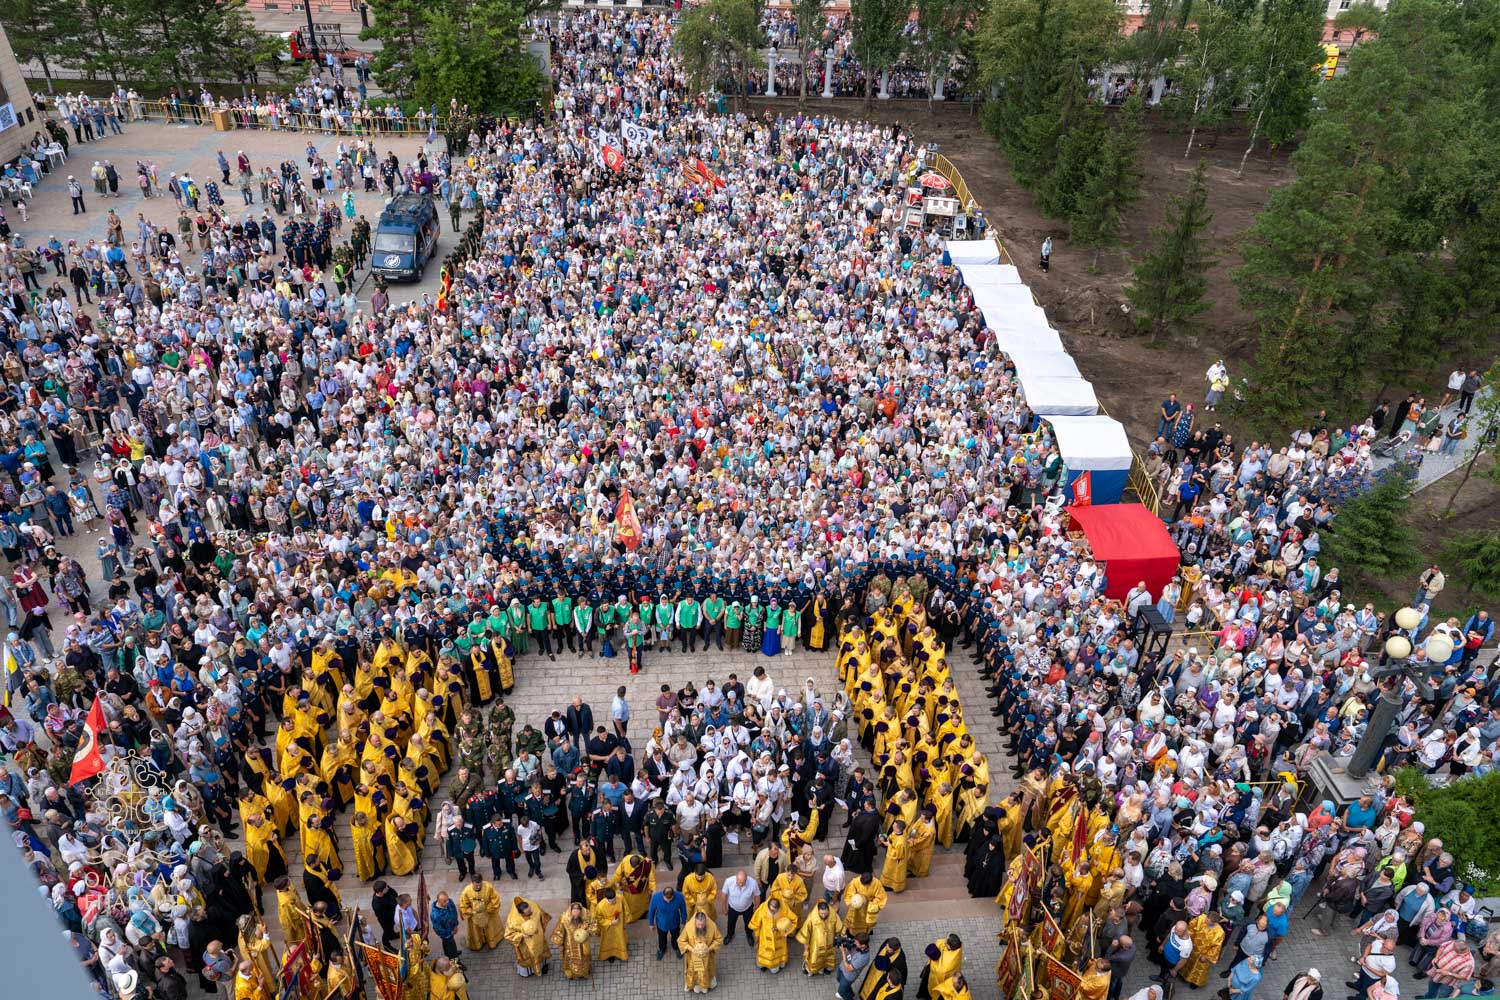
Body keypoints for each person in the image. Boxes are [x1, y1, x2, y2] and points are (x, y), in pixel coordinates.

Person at [502, 897, 551, 978]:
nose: (530, 913)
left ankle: (541, 967)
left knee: (540, 953)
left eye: (530, 910)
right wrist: (522, 935)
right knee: (529, 958)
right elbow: (508, 935)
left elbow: (542, 915)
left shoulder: (534, 908)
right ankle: (529, 972)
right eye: (527, 913)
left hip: (538, 938)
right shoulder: (513, 921)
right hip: (525, 945)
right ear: (521, 913)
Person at [747, 897, 797, 973]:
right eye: (771, 910)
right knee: (765, 952)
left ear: (778, 908)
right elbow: (756, 923)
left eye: (774, 911)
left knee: (777, 954)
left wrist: (786, 931)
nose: (772, 912)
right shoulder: (763, 908)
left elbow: (794, 920)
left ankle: (777, 964)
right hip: (765, 937)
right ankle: (763, 964)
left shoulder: (784, 909)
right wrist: (757, 935)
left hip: (779, 937)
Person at [550, 902, 598, 980]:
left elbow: (593, 924)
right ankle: (571, 974)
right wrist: (560, 944)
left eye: (577, 914)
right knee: (569, 958)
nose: (576, 916)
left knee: (584, 958)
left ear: (580, 912)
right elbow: (559, 930)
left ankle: (584, 972)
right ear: (571, 911)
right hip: (569, 944)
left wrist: (587, 932)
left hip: (583, 944)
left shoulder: (587, 914)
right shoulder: (564, 917)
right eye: (574, 914)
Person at [679, 911, 723, 994]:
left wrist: (709, 949)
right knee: (692, 972)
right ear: (695, 921)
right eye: (698, 925)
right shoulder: (688, 927)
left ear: (705, 922)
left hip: (707, 957)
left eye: (702, 925)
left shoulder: (712, 926)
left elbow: (719, 939)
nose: (700, 927)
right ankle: (692, 985)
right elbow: (681, 941)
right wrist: (692, 949)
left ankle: (704, 986)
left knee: (705, 971)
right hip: (692, 957)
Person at [798, 898, 845, 975]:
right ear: (818, 911)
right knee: (815, 958)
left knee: (828, 956)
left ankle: (824, 968)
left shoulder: (833, 915)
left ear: (828, 910)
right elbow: (805, 934)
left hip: (829, 943)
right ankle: (811, 969)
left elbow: (839, 927)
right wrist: (806, 948)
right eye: (821, 913)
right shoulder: (811, 918)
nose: (823, 915)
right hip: (815, 946)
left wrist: (842, 935)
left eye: (825, 913)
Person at [458, 874, 503, 952]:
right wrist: (472, 911)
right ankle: (478, 944)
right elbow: (463, 905)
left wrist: (488, 909)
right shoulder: (466, 891)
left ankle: (492, 942)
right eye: (476, 885)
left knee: (490, 929)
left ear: (482, 881)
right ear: (472, 883)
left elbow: (495, 899)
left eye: (480, 885)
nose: (478, 887)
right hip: (474, 915)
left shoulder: (488, 887)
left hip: (488, 913)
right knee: (476, 932)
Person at [646, 884, 688, 961]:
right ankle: (662, 949)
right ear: (663, 894)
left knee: (676, 937)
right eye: (666, 899)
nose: (668, 901)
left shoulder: (679, 897)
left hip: (674, 923)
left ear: (673, 895)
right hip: (661, 924)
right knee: (662, 938)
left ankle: (676, 948)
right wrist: (651, 923)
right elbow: (651, 911)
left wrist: (683, 921)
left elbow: (683, 910)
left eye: (670, 899)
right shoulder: (655, 898)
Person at [917, 934, 962, 1000]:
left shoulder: (948, 964)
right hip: (947, 975)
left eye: (946, 941)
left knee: (933, 992)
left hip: (939, 980)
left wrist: (935, 959)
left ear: (949, 947)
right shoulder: (958, 947)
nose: (944, 941)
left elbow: (938, 971)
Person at [721, 869, 761, 945]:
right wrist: (724, 908)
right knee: (730, 923)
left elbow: (757, 896)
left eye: (743, 882)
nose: (741, 884)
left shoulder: (753, 883)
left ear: (747, 879)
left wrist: (756, 908)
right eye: (739, 882)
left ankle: (749, 935)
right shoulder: (728, 881)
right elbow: (724, 895)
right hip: (733, 908)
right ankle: (730, 935)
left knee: (749, 923)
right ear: (736, 878)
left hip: (747, 908)